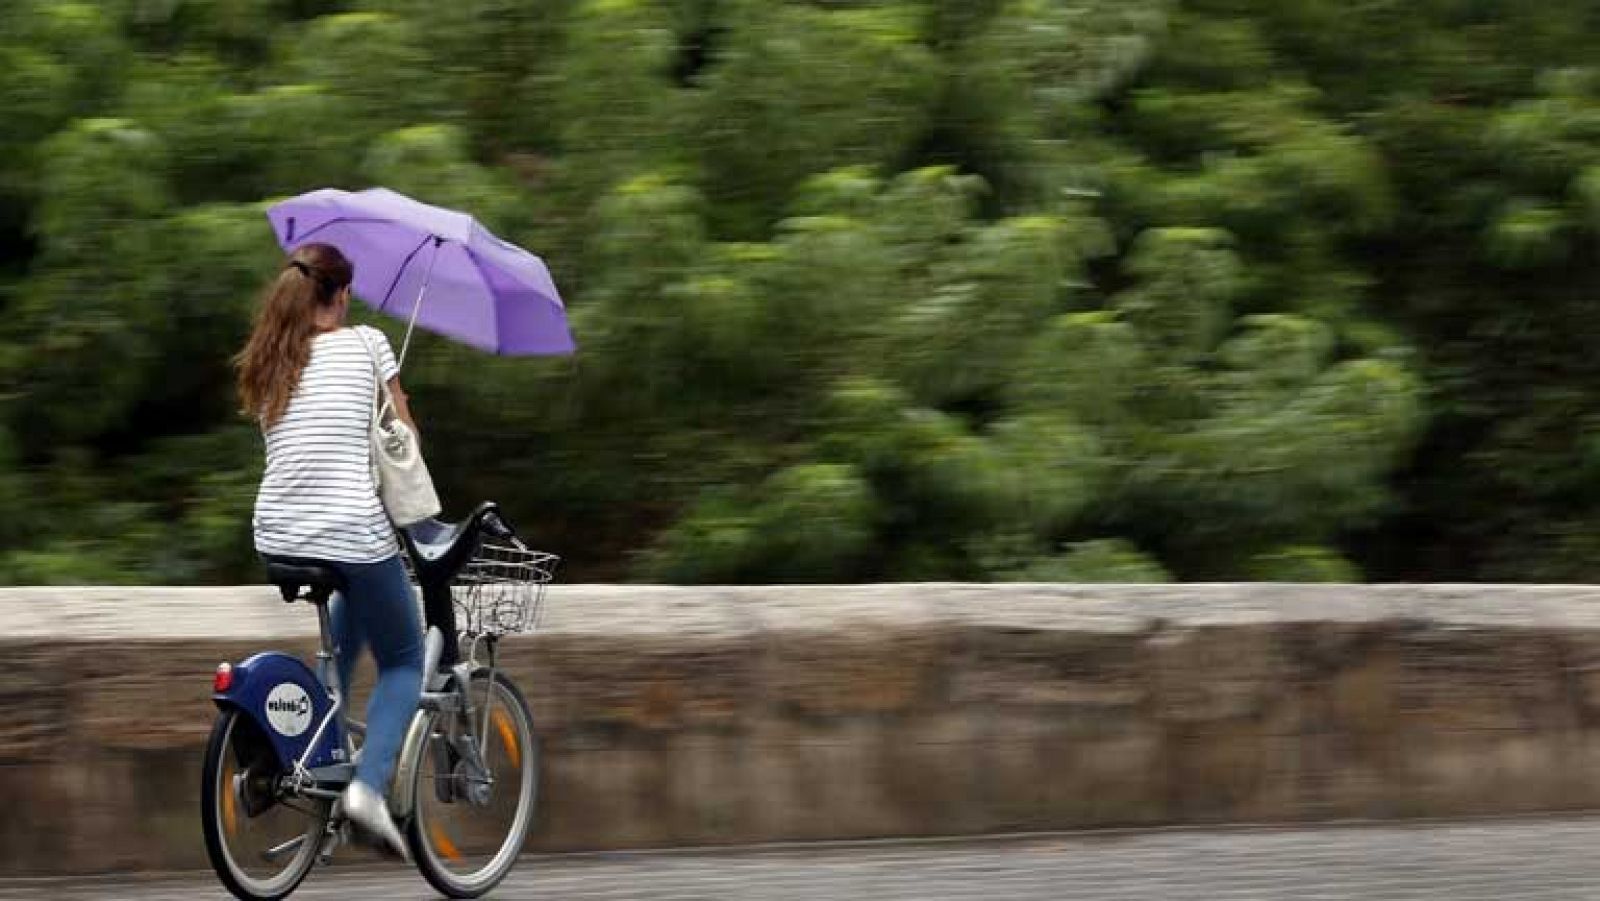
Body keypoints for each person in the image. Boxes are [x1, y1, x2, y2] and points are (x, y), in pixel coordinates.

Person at [235, 242, 419, 857]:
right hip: (347, 529)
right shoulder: (367, 344)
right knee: (403, 661)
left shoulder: (270, 356)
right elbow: (406, 440)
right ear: (340, 295)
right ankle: (367, 791)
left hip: (277, 532)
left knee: (354, 615)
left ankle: (303, 754)